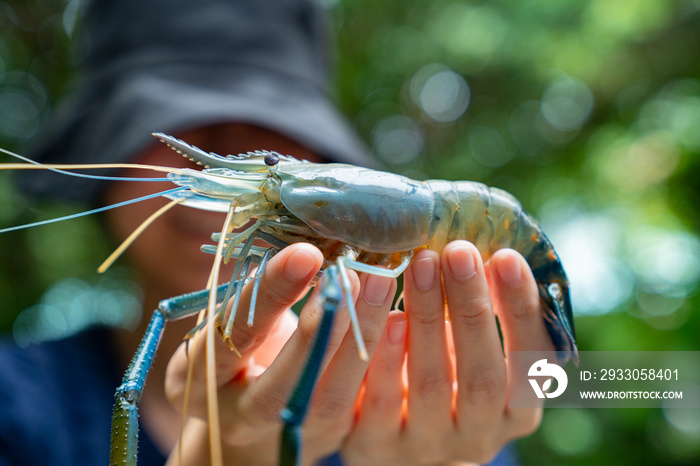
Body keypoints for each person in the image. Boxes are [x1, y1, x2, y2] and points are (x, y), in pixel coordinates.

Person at [1, 0, 553, 465]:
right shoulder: (16, 406)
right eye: (178, 126)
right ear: (107, 155)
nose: (221, 145)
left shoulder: (447, 420)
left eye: (271, 139)